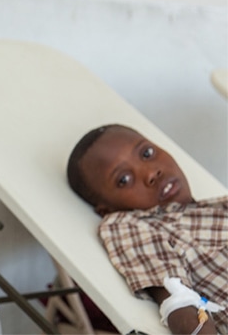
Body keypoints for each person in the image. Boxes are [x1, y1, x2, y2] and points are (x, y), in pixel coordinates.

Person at [67, 124, 227, 334]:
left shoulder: (218, 206)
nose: (151, 172)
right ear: (107, 209)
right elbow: (179, 300)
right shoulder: (132, 225)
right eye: (124, 179)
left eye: (147, 153)